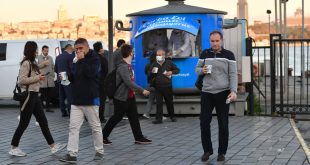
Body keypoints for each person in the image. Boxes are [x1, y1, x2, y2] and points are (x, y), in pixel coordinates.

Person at [9, 41, 66, 157]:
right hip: (29, 96)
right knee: (23, 124)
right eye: (35, 49)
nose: (37, 52)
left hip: (35, 96)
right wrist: (37, 78)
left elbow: (34, 68)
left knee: (43, 122)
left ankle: (53, 146)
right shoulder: (26, 63)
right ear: (31, 50)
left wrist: (43, 66)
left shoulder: (32, 62)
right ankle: (13, 148)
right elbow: (21, 80)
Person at [59, 38, 104, 163]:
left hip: (90, 98)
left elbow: (91, 73)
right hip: (76, 100)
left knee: (95, 126)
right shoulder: (76, 59)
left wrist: (82, 60)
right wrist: (66, 76)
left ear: (87, 47)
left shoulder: (94, 58)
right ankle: (72, 154)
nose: (78, 51)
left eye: (80, 48)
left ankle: (99, 151)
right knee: (73, 128)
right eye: (76, 49)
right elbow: (74, 77)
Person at [195, 30, 237, 162]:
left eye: (217, 41)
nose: (215, 43)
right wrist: (202, 70)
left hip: (223, 92)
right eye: (212, 41)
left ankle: (221, 152)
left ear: (222, 40)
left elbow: (233, 74)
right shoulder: (205, 53)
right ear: (210, 41)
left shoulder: (228, 55)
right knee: (204, 122)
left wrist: (234, 91)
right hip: (207, 92)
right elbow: (197, 69)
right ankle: (207, 150)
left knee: (223, 124)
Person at [102, 44, 152, 145]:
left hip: (129, 96)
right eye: (132, 51)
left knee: (133, 117)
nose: (133, 53)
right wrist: (142, 90)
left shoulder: (128, 66)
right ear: (130, 53)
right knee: (117, 117)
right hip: (121, 97)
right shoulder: (123, 67)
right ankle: (102, 136)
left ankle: (139, 137)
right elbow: (128, 82)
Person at [150, 49, 180, 124]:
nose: (158, 56)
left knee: (169, 102)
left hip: (167, 86)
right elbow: (150, 75)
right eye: (157, 55)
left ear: (164, 56)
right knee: (158, 103)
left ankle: (172, 116)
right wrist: (152, 73)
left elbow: (177, 70)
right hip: (158, 87)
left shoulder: (169, 63)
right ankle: (158, 119)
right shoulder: (154, 64)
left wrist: (171, 72)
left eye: (160, 55)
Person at [54, 44, 74, 117]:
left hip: (60, 77)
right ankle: (70, 112)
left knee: (62, 96)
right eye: (72, 49)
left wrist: (60, 74)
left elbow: (55, 68)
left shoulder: (58, 57)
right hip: (66, 76)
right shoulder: (70, 56)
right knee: (69, 95)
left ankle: (63, 112)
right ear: (69, 48)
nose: (73, 51)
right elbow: (72, 68)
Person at [93, 41, 108, 123]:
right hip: (101, 83)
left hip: (92, 83)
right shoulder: (103, 59)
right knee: (101, 101)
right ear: (100, 49)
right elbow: (106, 71)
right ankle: (101, 117)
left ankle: (91, 117)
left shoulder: (91, 58)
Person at [37, 45, 55, 112]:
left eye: (47, 51)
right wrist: (44, 64)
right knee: (42, 94)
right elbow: (36, 67)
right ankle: (40, 108)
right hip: (42, 78)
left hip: (49, 78)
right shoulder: (38, 58)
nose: (46, 52)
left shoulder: (50, 57)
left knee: (49, 95)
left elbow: (53, 66)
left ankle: (48, 108)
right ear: (42, 51)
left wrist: (53, 74)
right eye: (45, 51)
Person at [142, 52, 156, 119]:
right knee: (159, 100)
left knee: (151, 99)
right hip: (156, 85)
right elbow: (155, 74)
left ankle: (146, 114)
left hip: (150, 84)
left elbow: (145, 73)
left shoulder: (147, 65)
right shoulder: (156, 65)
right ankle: (160, 115)